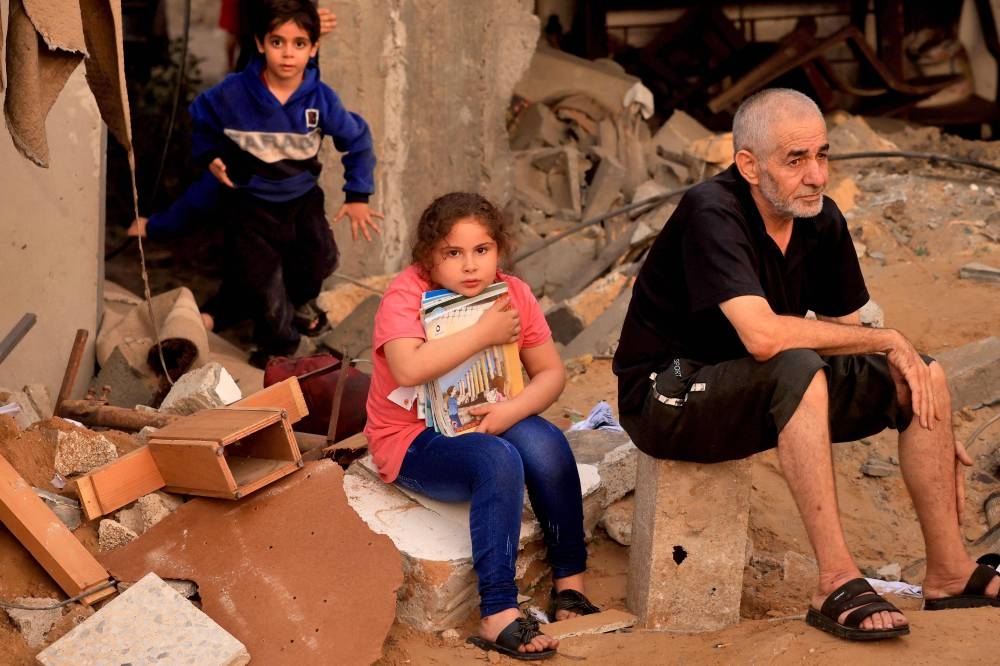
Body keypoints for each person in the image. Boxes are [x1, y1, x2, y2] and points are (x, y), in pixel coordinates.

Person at [613, 88, 999, 642]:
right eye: (796, 160)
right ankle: (836, 579)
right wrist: (889, 337)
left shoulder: (819, 218)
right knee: (801, 367)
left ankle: (950, 571)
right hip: (667, 396)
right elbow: (764, 336)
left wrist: (925, 406)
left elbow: (850, 335)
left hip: (755, 382)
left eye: (822, 155)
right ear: (748, 164)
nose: (816, 175)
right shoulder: (711, 210)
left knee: (920, 375)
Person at [365, 192, 599, 660]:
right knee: (499, 459)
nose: (470, 266)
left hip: (487, 416)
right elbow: (408, 369)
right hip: (414, 438)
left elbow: (551, 373)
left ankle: (569, 584)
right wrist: (482, 334)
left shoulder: (512, 293)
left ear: (499, 250)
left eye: (482, 250)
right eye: (453, 253)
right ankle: (498, 613)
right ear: (428, 255)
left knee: (548, 443)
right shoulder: (407, 294)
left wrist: (509, 412)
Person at [181, 0, 381, 367]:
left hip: (301, 197)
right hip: (250, 203)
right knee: (266, 286)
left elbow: (357, 139)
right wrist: (209, 155)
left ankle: (297, 308)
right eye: (277, 43)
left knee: (324, 258)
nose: (288, 54)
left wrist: (357, 195)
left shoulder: (320, 100)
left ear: (314, 48)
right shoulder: (234, 92)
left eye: (299, 44)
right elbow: (200, 116)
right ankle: (281, 353)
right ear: (260, 43)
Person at [128, 2, 340, 338]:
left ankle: (230, 316)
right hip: (250, 227)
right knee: (257, 270)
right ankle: (229, 320)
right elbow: (206, 191)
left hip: (279, 234)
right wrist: (157, 226)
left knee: (288, 262)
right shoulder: (241, 132)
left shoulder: (295, 105)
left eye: (299, 43)